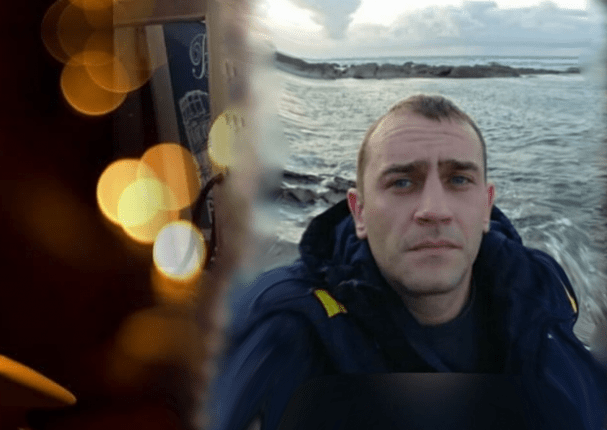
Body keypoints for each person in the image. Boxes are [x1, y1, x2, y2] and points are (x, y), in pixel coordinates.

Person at [207, 94, 607, 430]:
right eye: (402, 182)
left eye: (458, 180)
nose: (434, 210)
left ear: (486, 207)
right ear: (359, 212)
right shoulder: (285, 324)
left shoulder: (539, 300)